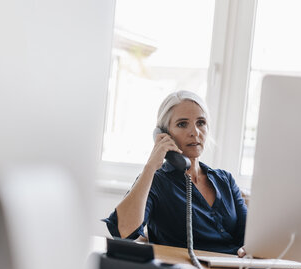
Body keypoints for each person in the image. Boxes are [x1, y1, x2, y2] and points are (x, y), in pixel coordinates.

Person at [103, 90, 247, 255]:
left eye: (201, 122)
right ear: (164, 134)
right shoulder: (156, 181)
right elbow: (123, 232)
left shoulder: (225, 180)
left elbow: (249, 237)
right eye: (182, 124)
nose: (195, 132)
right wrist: (150, 166)